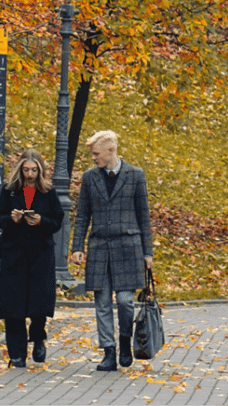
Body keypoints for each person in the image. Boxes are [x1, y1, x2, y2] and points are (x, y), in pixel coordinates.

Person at [70, 129, 154, 372]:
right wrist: (77, 247)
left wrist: (147, 253)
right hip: (99, 247)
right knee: (102, 302)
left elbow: (143, 217)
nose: (93, 158)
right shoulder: (89, 177)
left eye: (96, 154)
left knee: (126, 301)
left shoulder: (136, 175)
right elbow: (83, 214)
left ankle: (125, 341)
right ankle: (108, 352)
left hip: (128, 247)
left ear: (111, 150)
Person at [0, 150, 64, 367]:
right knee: (13, 305)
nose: (30, 174)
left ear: (40, 170)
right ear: (20, 170)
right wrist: (11, 218)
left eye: (34, 170)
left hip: (40, 254)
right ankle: (16, 353)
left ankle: (38, 338)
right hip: (14, 254)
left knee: (38, 304)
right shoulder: (10, 191)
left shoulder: (48, 192)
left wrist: (41, 221)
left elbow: (57, 220)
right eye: (26, 170)